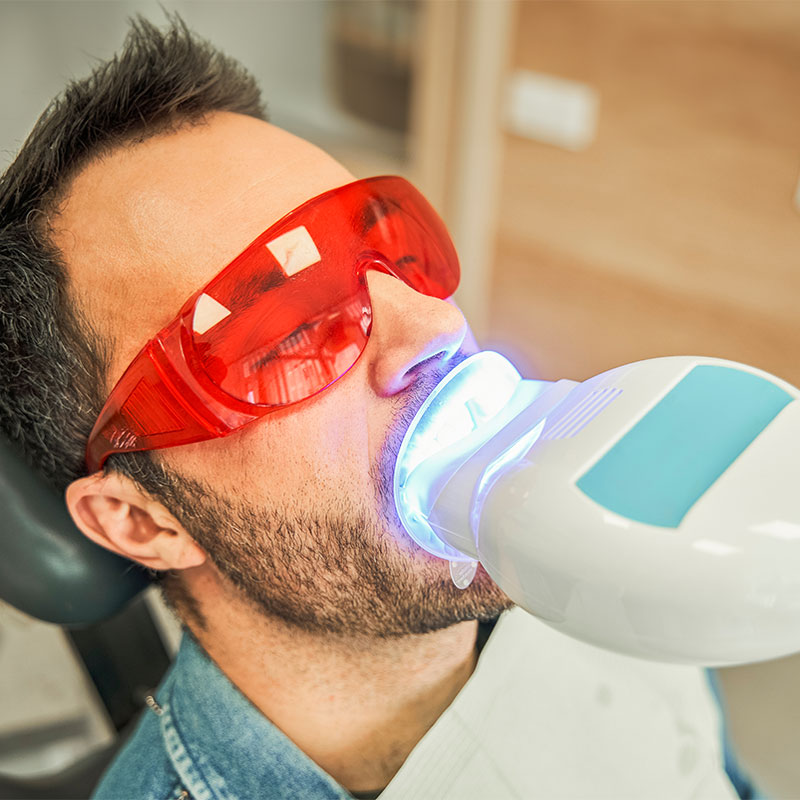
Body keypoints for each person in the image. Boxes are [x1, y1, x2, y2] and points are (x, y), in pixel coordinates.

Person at [0, 15, 764, 800]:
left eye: (398, 251)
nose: (437, 327)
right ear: (141, 523)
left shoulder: (590, 560)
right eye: (285, 329)